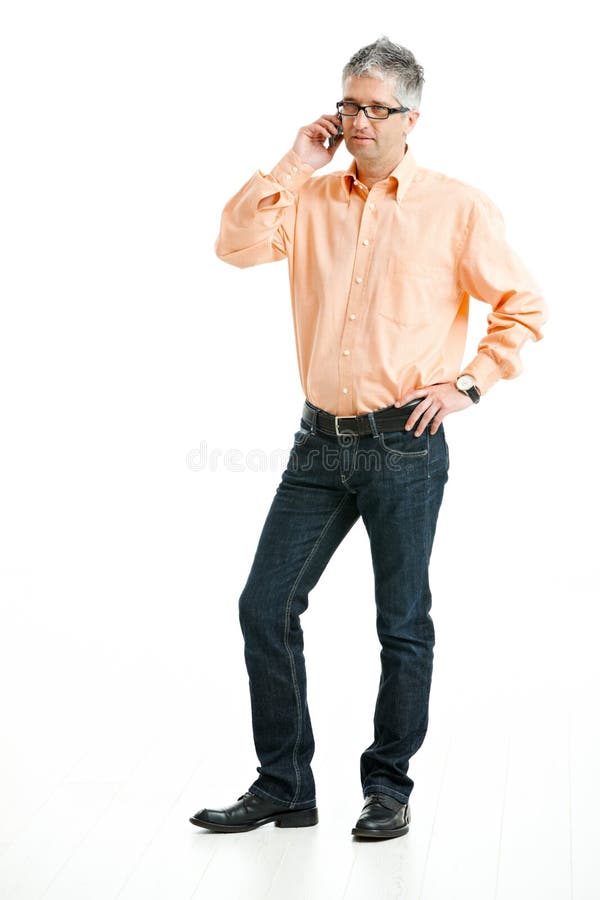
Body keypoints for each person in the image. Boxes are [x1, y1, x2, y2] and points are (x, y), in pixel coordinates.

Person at [189, 35, 548, 840]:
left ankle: (387, 787)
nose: (355, 120)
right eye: (347, 104)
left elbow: (523, 306)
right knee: (265, 607)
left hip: (405, 446)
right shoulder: (309, 200)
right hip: (318, 445)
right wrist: (291, 162)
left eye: (373, 108)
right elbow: (234, 246)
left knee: (402, 622)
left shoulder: (457, 207)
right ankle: (284, 784)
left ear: (410, 119)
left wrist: (469, 383)